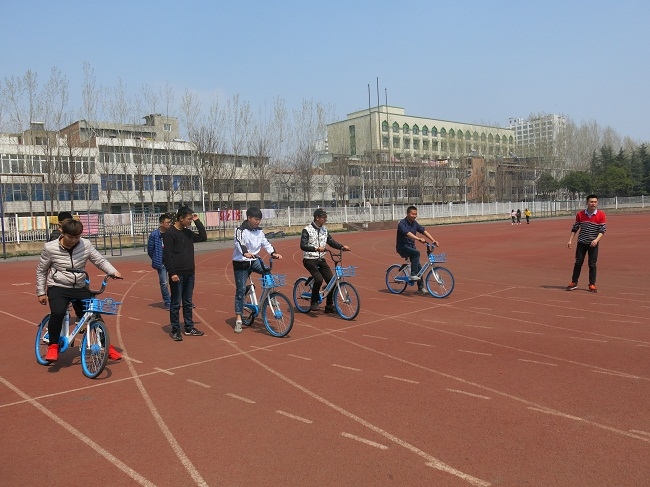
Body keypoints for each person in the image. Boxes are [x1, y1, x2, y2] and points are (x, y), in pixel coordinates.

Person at [36, 218, 123, 362]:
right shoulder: (50, 247)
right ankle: (53, 346)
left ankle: (106, 346)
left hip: (80, 286)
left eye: (77, 237)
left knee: (94, 315)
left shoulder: (85, 244)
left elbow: (99, 260)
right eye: (70, 237)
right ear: (63, 233)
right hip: (58, 287)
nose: (74, 240)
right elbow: (41, 270)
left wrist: (113, 271)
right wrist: (40, 292)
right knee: (58, 313)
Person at [232, 207, 282, 333]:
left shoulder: (259, 231)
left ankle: (271, 297)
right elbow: (240, 243)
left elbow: (266, 243)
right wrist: (245, 253)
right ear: (249, 218)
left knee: (267, 271)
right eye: (256, 219)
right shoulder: (240, 230)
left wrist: (273, 253)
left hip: (254, 260)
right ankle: (239, 318)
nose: (258, 222)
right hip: (241, 262)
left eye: (259, 219)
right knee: (240, 290)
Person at [163, 206, 207, 341]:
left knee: (188, 302)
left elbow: (203, 237)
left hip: (189, 272)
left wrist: (197, 221)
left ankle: (189, 327)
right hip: (177, 274)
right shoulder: (170, 234)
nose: (190, 221)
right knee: (176, 303)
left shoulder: (188, 233)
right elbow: (168, 255)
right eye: (189, 219)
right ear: (181, 218)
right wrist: (172, 273)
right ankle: (176, 330)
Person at [300, 208, 350, 313]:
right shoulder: (307, 230)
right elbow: (303, 246)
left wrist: (341, 247)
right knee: (319, 279)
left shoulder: (324, 229)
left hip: (320, 259)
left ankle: (329, 305)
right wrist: (315, 248)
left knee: (332, 281)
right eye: (324, 217)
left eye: (326, 217)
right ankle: (314, 301)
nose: (326, 219)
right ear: (317, 218)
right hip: (309, 259)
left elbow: (331, 242)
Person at [566, 194, 606, 293]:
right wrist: (570, 240)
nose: (593, 204)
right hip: (581, 243)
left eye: (595, 202)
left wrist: (596, 240)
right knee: (578, 263)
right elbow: (575, 228)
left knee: (592, 264)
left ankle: (592, 284)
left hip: (593, 244)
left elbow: (602, 230)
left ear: (597, 203)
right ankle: (574, 282)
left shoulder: (601, 215)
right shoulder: (580, 214)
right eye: (591, 202)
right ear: (587, 202)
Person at [396, 206, 439, 295]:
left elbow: (423, 231)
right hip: (402, 247)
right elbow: (408, 233)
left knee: (420, 268)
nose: (414, 216)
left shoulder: (414, 223)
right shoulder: (402, 224)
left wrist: (433, 240)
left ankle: (421, 288)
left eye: (416, 214)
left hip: (411, 247)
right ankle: (413, 274)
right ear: (408, 214)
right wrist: (418, 239)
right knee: (416, 253)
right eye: (413, 214)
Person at [148, 213, 173, 310]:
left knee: (176, 281)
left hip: (171, 261)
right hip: (161, 263)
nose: (169, 224)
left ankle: (178, 300)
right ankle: (168, 302)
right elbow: (150, 250)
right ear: (161, 223)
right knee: (164, 283)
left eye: (169, 222)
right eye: (167, 222)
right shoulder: (154, 235)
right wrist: (156, 258)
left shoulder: (171, 233)